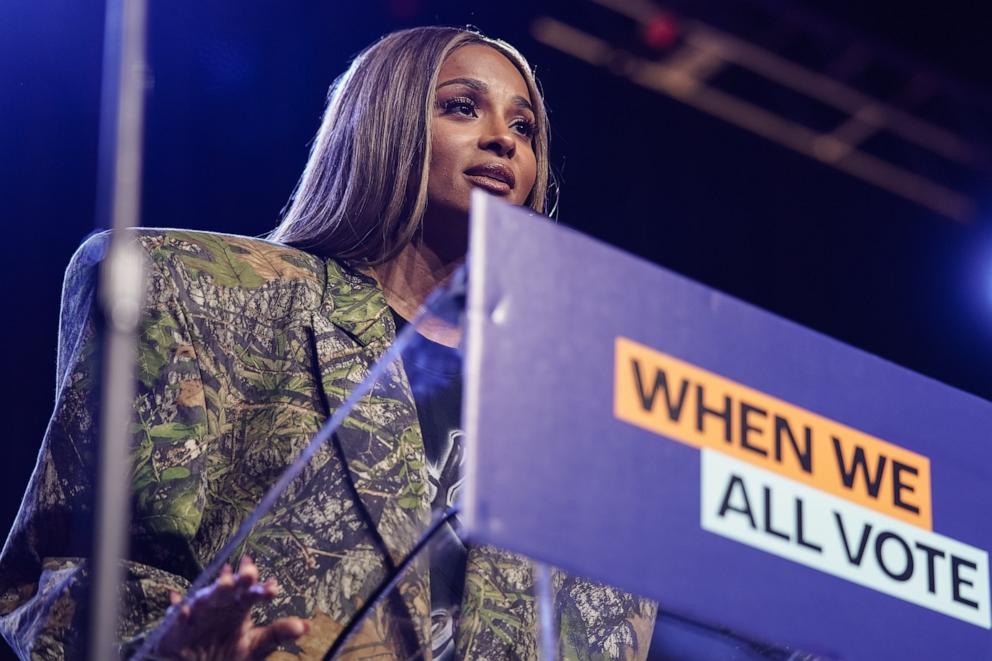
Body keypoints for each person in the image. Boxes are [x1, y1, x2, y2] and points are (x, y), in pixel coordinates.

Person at [0, 26, 656, 660]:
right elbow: (81, 567)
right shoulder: (197, 290)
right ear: (383, 127)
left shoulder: (572, 417)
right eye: (462, 107)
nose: (503, 142)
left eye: (524, 128)